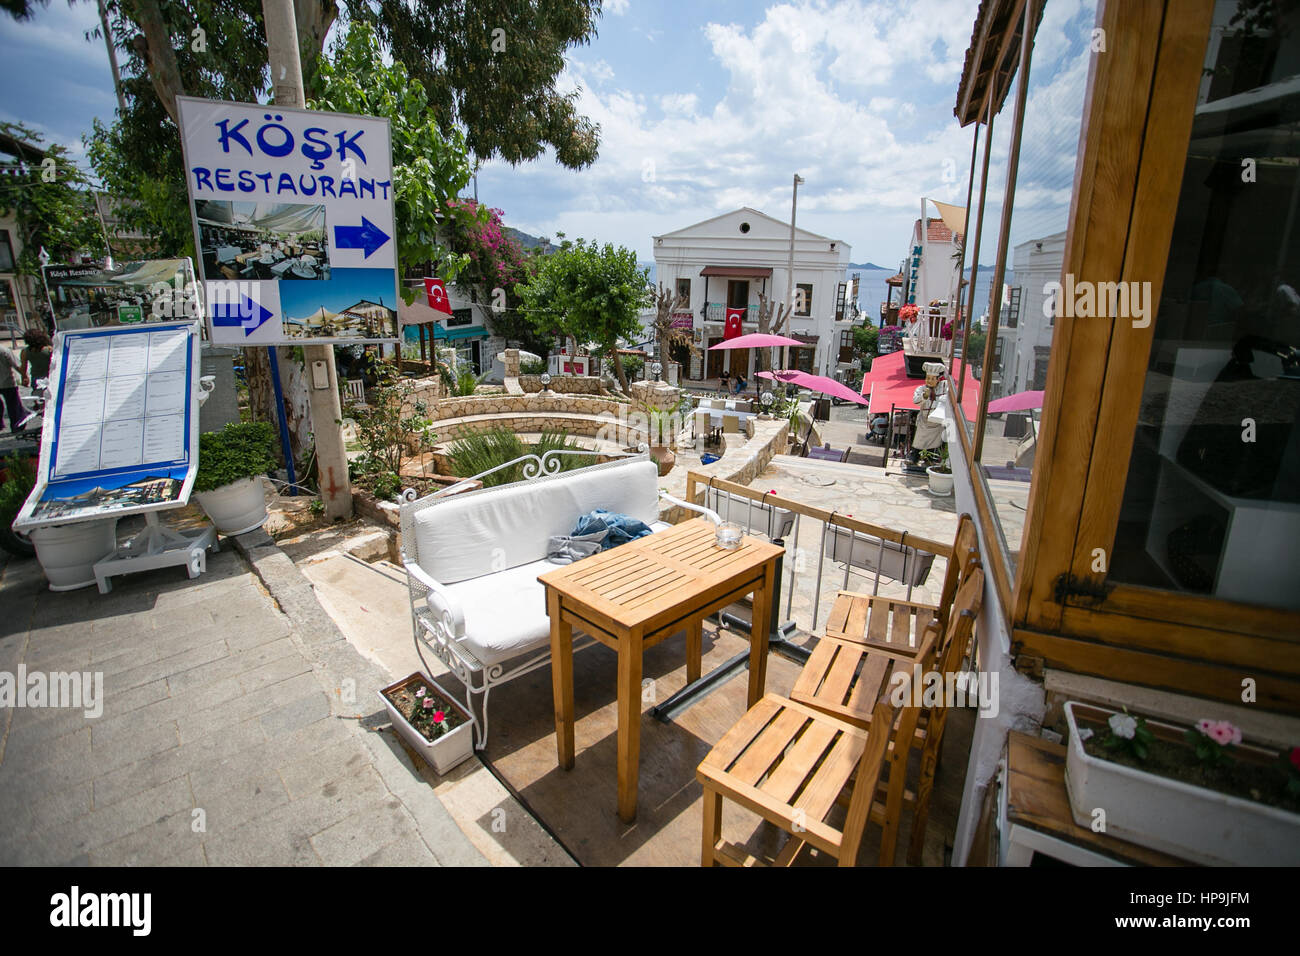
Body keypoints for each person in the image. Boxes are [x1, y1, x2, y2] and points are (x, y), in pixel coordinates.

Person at [909, 361, 947, 465]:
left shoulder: (944, 387)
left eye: (932, 379)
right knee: (918, 440)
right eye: (927, 378)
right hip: (924, 421)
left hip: (937, 422)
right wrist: (924, 396)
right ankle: (914, 458)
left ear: (938, 379)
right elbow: (916, 401)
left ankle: (928, 459)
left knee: (933, 443)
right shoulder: (921, 388)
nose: (929, 381)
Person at [0, 343, 28, 434]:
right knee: (13, 405)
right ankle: (17, 425)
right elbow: (16, 364)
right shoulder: (3, 350)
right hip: (8, 382)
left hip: (6, 382)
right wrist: (24, 376)